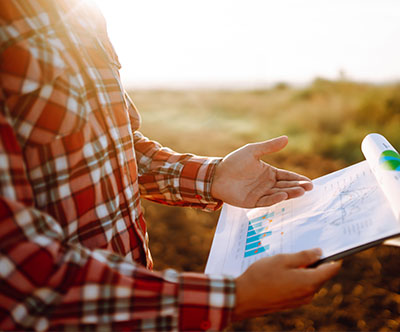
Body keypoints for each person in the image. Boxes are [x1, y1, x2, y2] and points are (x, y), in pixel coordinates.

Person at [0, 0, 341, 330]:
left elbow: (111, 145)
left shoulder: (82, 14)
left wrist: (214, 176)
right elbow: (16, 276)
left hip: (135, 300)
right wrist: (234, 299)